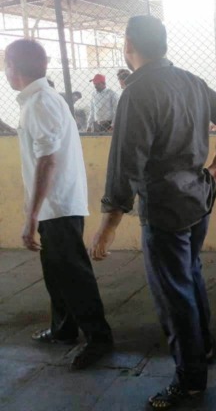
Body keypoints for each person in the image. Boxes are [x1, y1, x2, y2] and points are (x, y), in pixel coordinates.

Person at [88, 15, 216, 410]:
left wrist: (108, 225)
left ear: (128, 45)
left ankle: (190, 380)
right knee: (189, 277)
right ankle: (203, 349)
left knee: (174, 295)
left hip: (165, 207)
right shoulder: (190, 81)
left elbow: (125, 164)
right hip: (198, 198)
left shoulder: (137, 93)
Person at [4, 38, 113, 369]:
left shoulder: (40, 102)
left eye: (5, 64)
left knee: (73, 273)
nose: (4, 71)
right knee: (55, 272)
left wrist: (31, 215)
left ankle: (99, 338)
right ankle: (63, 328)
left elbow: (47, 160)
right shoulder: (39, 99)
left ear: (13, 68)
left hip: (58, 205)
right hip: (55, 205)